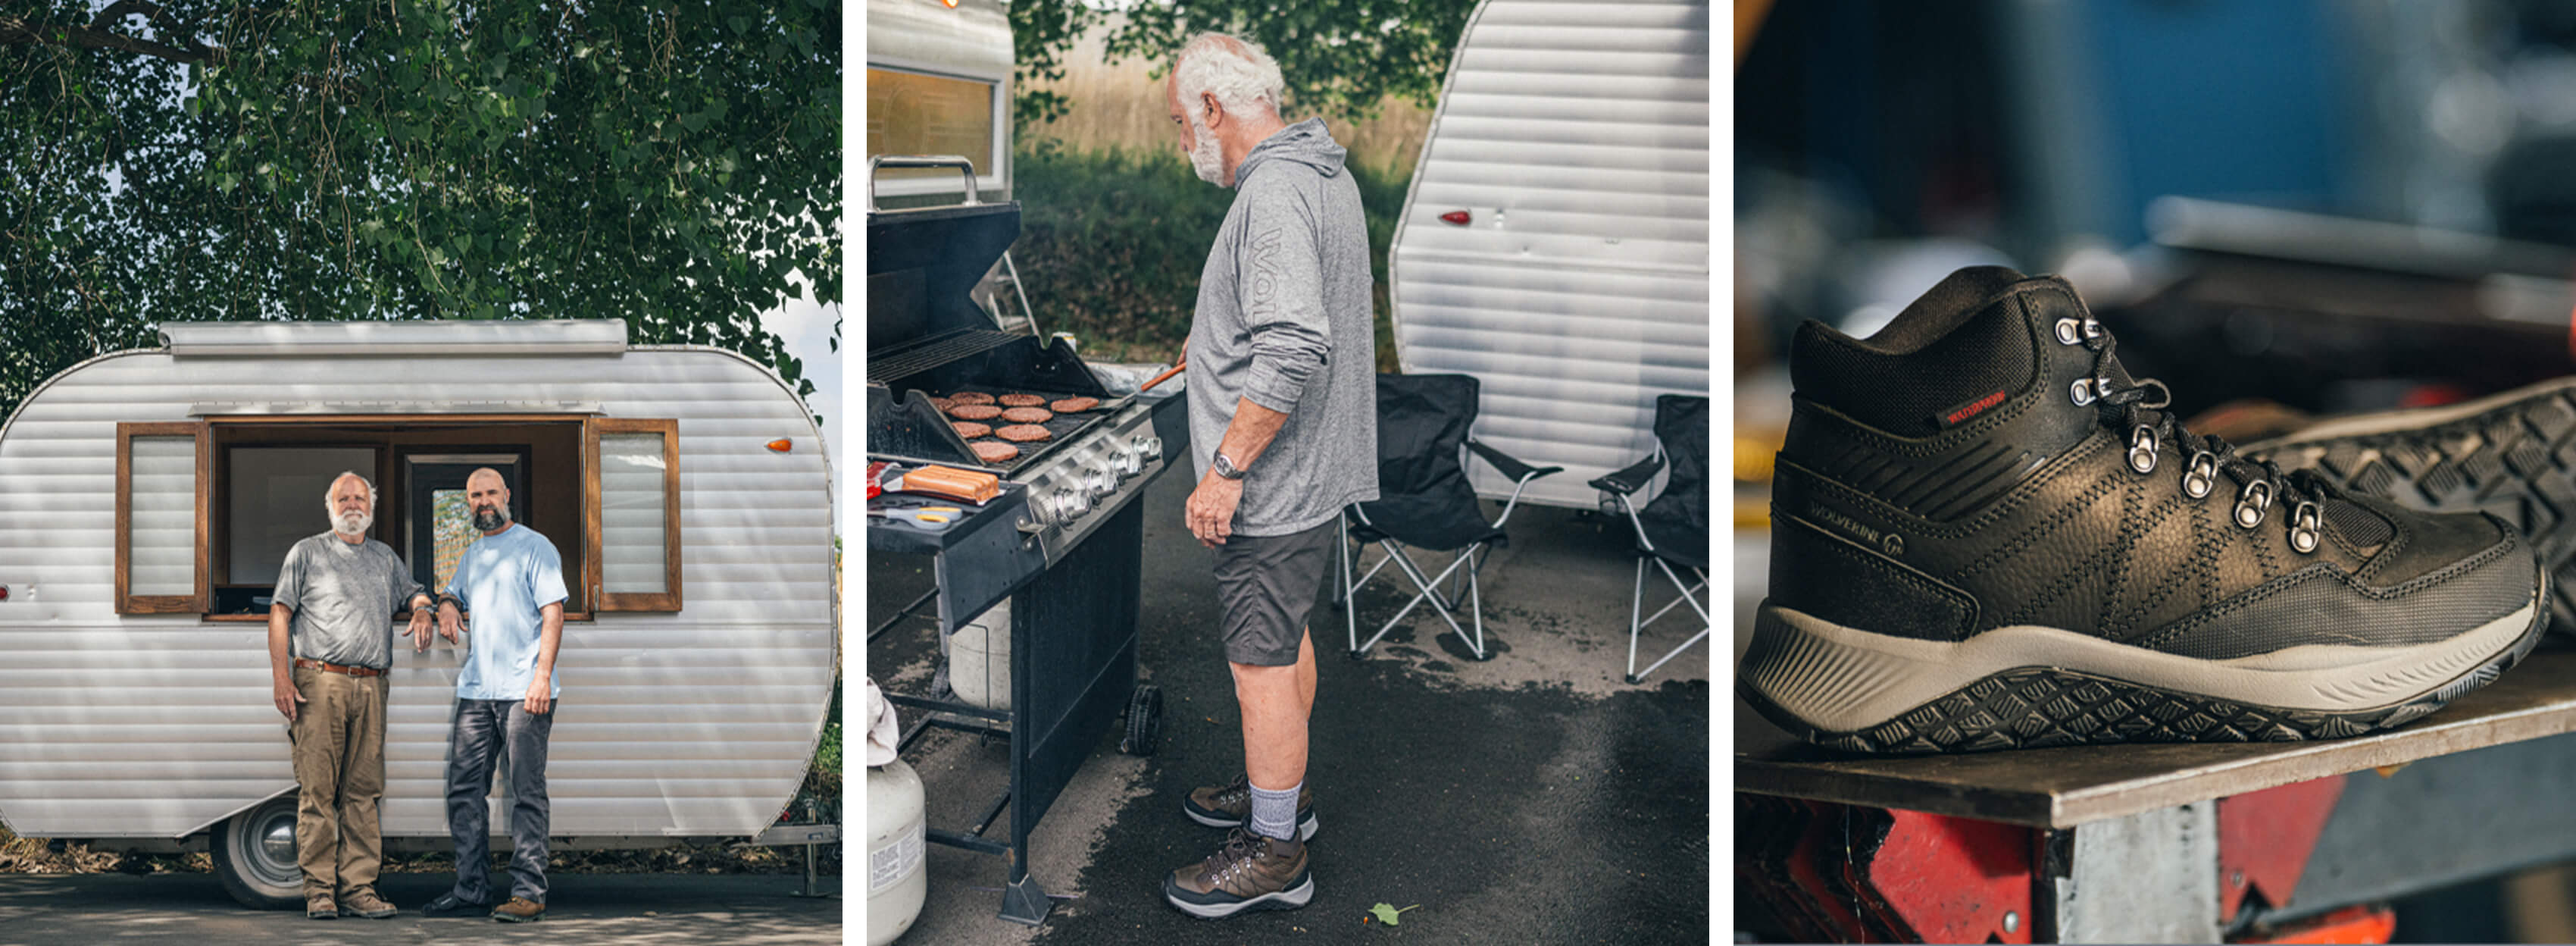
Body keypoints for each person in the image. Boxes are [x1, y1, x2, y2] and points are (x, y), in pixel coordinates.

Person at [1158, 32, 1379, 919]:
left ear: (1214, 108)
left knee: (1256, 663)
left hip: (1273, 482)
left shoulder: (1276, 191)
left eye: (1182, 123)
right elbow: (1288, 314)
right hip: (1312, 472)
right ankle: (1280, 797)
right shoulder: (1321, 170)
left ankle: (1274, 852)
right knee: (1285, 643)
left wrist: (1222, 470)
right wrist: (1210, 344)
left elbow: (1293, 343)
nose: (1184, 143)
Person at [267, 471, 436, 920]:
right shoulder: (307, 552)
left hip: (373, 683)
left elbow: (415, 592)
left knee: (363, 791)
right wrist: (281, 678)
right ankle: (319, 892)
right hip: (319, 682)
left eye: (360, 497)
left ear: (372, 507)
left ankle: (359, 889)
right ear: (330, 507)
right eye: (343, 498)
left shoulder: (383, 557)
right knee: (319, 790)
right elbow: (280, 614)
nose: (352, 504)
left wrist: (422, 610)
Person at [417, 468, 568, 923]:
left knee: (526, 792)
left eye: (490, 493)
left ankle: (528, 892)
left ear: (506, 495)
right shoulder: (473, 554)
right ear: (468, 504)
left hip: (525, 691)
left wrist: (541, 678)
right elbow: (452, 592)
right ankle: (471, 890)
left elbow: (554, 613)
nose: (483, 501)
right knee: (464, 791)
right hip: (478, 691)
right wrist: (445, 604)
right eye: (475, 496)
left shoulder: (535, 546)